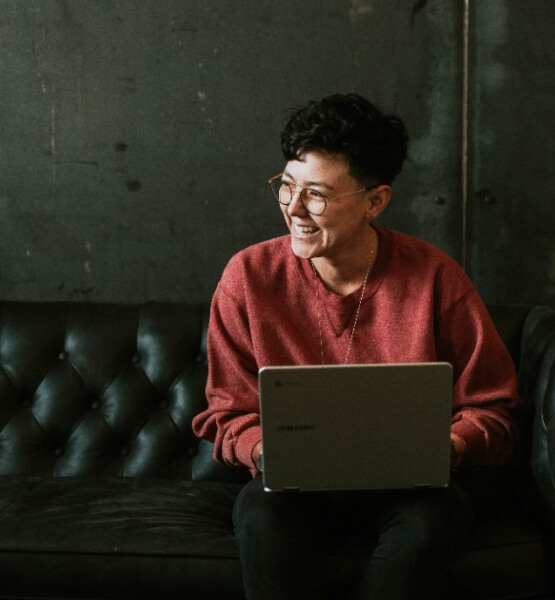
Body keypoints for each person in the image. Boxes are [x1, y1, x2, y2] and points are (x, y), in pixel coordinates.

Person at [192, 93, 522, 599]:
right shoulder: (249, 277)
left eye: (317, 194)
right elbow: (227, 411)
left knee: (435, 517)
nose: (295, 209)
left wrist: (449, 447)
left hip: (412, 490)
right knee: (260, 513)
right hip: (292, 491)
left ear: (376, 201)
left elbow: (493, 407)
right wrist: (267, 450)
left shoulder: (435, 277)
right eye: (286, 186)